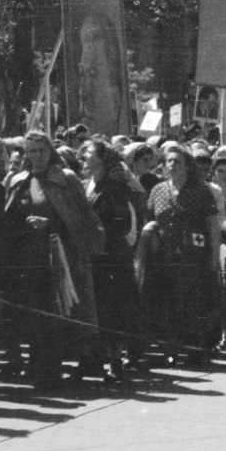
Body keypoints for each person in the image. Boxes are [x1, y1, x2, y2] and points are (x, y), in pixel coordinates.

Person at [2, 130, 104, 389]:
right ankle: (36, 367)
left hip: (58, 259)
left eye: (41, 150)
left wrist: (51, 223)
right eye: (32, 151)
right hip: (26, 259)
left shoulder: (65, 178)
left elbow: (82, 219)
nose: (37, 156)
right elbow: (7, 219)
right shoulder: (18, 180)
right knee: (32, 315)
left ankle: (51, 371)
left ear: (51, 151)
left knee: (54, 314)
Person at [139, 144, 222, 366]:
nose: (173, 165)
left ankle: (195, 349)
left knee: (193, 302)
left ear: (187, 166)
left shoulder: (200, 191)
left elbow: (212, 225)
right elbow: (149, 219)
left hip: (194, 256)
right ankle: (172, 349)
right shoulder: (157, 190)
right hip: (164, 256)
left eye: (178, 162)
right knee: (168, 303)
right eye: (169, 162)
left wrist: (214, 256)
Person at [81, 140, 139, 380]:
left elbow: (122, 223)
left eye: (90, 153)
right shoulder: (85, 185)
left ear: (103, 160)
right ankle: (95, 359)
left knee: (112, 308)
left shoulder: (114, 188)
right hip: (92, 256)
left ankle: (115, 360)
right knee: (95, 308)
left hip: (111, 257)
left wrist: (101, 238)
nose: (84, 156)